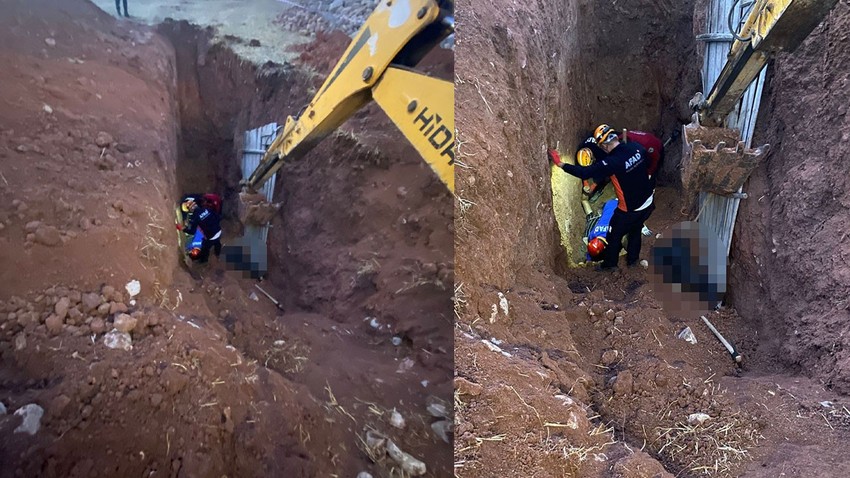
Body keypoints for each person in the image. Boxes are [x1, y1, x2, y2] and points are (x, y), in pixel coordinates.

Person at [549, 123, 656, 270]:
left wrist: (560, 164)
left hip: (629, 209)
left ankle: (609, 265)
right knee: (635, 230)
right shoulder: (636, 147)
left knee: (614, 234)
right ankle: (633, 262)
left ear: (604, 146)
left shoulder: (612, 162)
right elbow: (648, 163)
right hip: (648, 201)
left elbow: (584, 173)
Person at [182, 198, 222, 263]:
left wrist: (183, 229)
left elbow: (192, 232)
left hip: (211, 236)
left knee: (205, 249)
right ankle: (218, 254)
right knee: (217, 242)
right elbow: (217, 217)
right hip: (219, 231)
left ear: (191, 209)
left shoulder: (195, 218)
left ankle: (204, 261)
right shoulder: (207, 209)